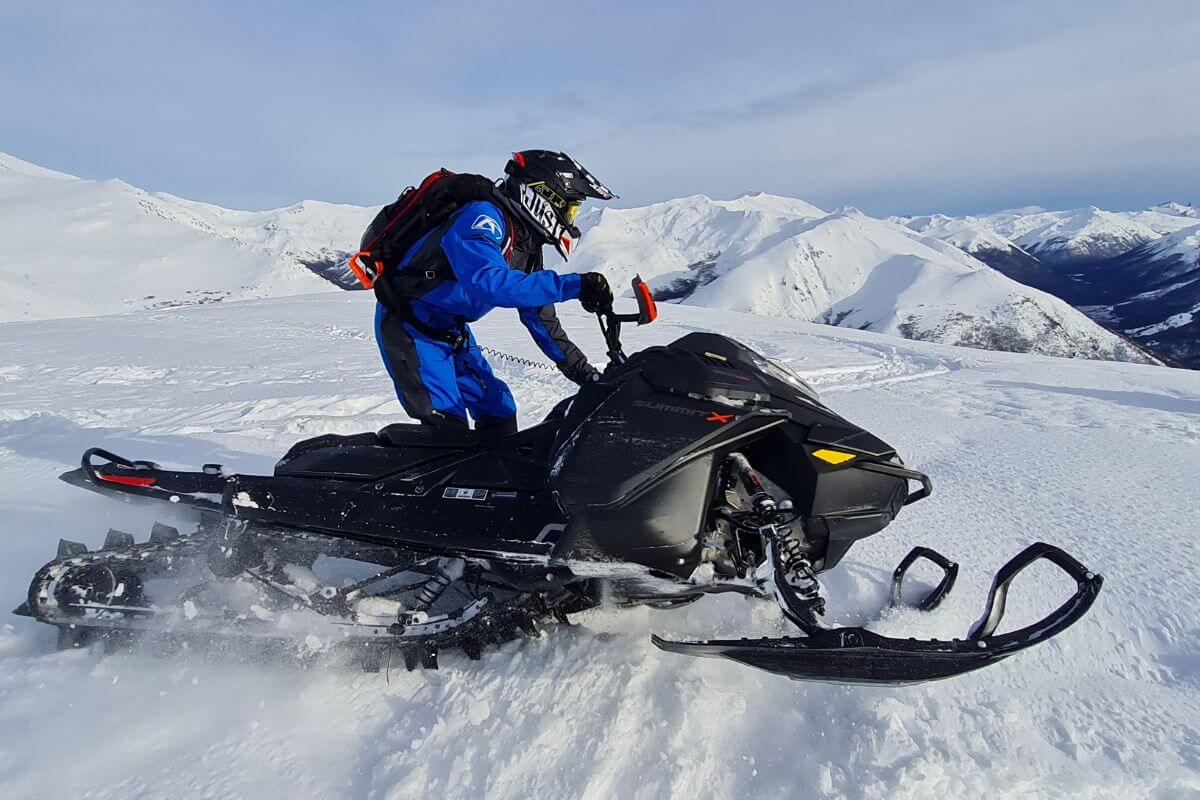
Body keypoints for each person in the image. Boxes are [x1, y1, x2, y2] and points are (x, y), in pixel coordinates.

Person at [373, 150, 615, 434]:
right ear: (544, 197)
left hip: (452, 332)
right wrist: (575, 285)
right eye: (570, 209)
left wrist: (584, 374)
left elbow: (541, 319)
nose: (570, 220)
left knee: (499, 410)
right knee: (447, 426)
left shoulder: (527, 247)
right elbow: (489, 283)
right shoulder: (483, 216)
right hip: (411, 327)